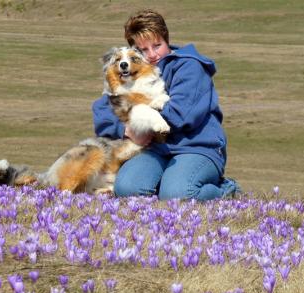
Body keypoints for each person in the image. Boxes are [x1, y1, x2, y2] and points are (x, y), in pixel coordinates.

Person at [92, 9, 240, 200]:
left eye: (157, 45)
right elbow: (103, 109)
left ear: (166, 40)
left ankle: (226, 190)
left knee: (178, 195)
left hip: (196, 147)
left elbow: (180, 115)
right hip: (154, 150)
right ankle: (164, 183)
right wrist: (125, 130)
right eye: (143, 50)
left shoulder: (189, 67)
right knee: (127, 189)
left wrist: (140, 123)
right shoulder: (131, 73)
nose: (153, 55)